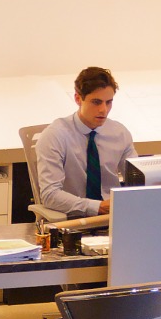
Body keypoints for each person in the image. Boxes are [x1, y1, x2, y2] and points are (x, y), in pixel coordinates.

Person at [34, 67, 135, 218]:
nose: (104, 110)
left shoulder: (119, 133)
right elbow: (50, 194)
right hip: (73, 218)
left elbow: (138, 181)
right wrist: (97, 207)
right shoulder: (55, 135)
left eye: (109, 102)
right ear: (78, 98)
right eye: (96, 102)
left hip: (114, 216)